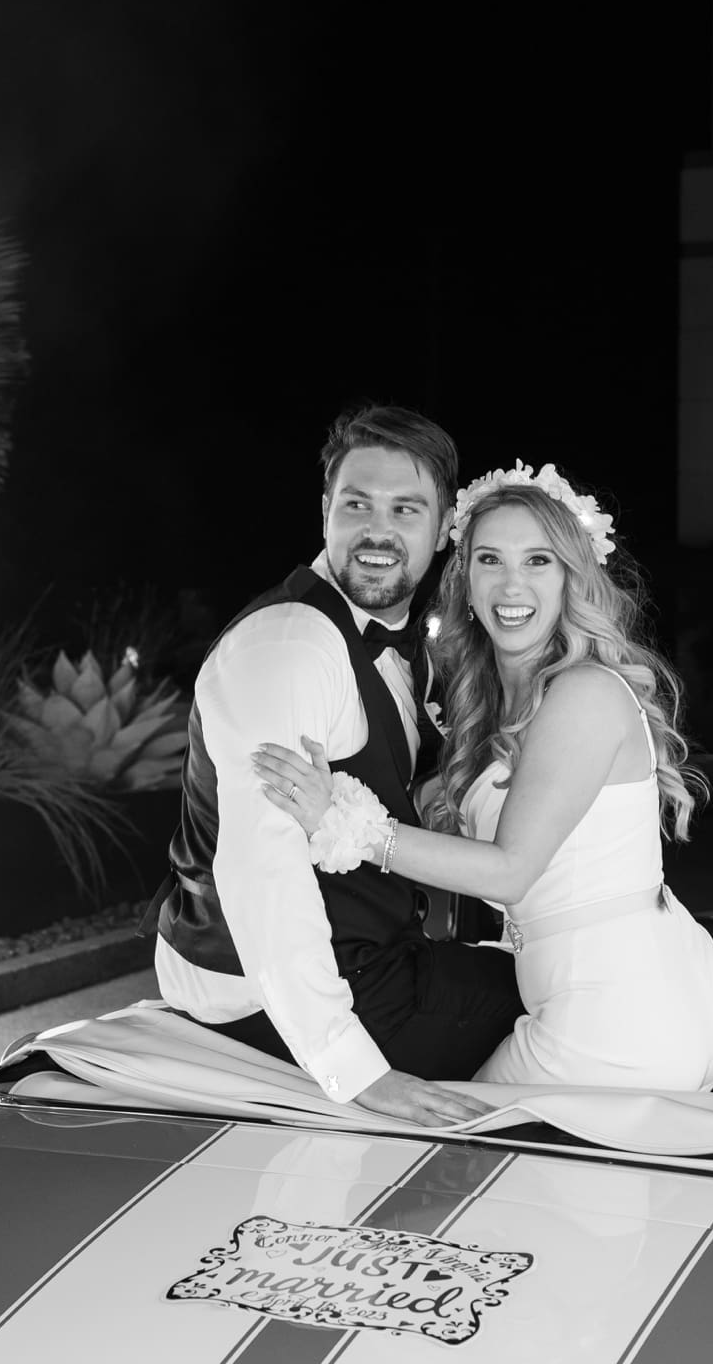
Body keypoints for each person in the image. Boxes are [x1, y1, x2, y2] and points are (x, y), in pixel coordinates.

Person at [254, 463, 713, 1091]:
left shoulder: (584, 694)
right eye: (490, 559)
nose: (512, 583)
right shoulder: (497, 704)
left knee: (452, 1156)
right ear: (465, 578)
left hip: (616, 1016)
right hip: (603, 993)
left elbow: (510, 869)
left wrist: (344, 824)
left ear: (573, 577)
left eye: (538, 560)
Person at [152, 405, 524, 1128]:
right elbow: (263, 874)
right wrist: (355, 1072)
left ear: (444, 525)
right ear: (325, 511)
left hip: (363, 953)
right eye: (357, 504)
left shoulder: (394, 643)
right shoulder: (289, 647)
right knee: (557, 1004)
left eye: (405, 509)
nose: (378, 531)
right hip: (260, 995)